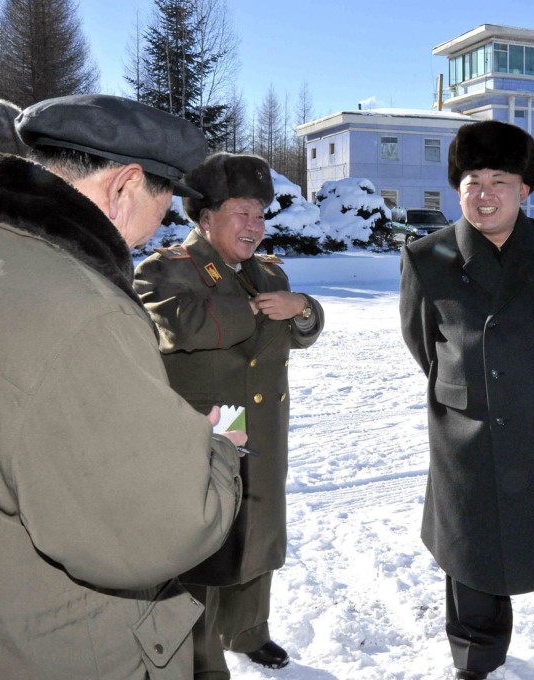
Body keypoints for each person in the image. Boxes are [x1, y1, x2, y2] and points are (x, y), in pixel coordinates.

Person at [0, 94, 243, 679]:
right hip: (64, 647)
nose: (162, 223)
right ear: (126, 185)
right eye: (164, 201)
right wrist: (217, 455)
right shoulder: (82, 307)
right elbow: (163, 528)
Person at [399, 120, 534, 680]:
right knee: (471, 549)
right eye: (473, 180)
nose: (484, 192)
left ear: (525, 190)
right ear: (457, 188)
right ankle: (477, 653)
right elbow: (425, 345)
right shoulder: (427, 257)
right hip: (468, 430)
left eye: (499, 179)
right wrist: (470, 387)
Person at [134, 152, 324, 679]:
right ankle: (197, 653)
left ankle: (248, 630)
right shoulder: (167, 269)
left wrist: (303, 307)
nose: (255, 226)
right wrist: (258, 307)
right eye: (242, 213)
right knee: (206, 543)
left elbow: (303, 332)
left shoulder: (270, 271)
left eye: (260, 214)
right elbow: (177, 325)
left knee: (257, 528)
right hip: (207, 430)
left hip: (262, 427)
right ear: (205, 218)